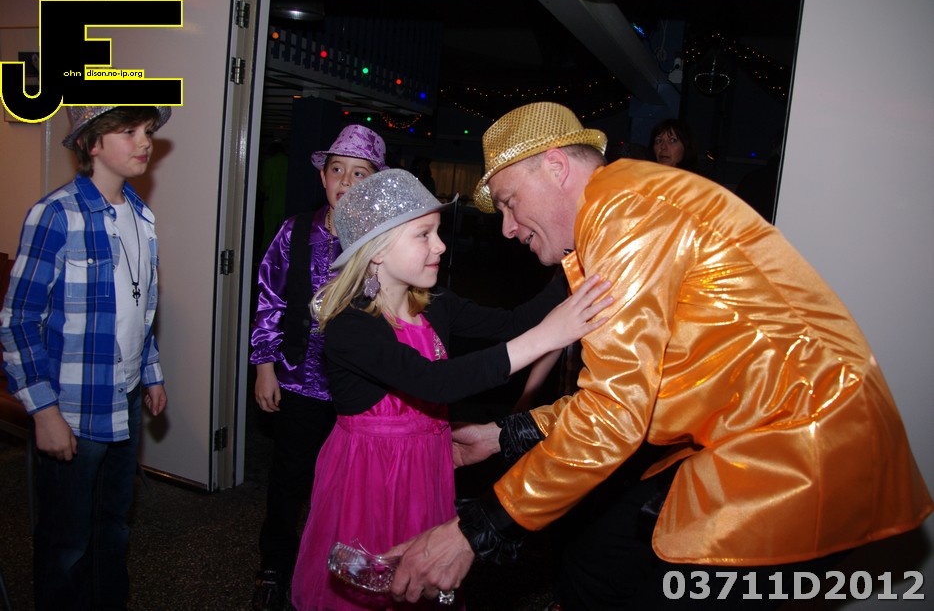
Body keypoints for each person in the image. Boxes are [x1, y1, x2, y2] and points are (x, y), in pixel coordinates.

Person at [386, 101, 934, 609]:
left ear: (555, 167)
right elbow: (629, 397)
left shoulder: (625, 214)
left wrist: (475, 529)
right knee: (595, 561)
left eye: (509, 202)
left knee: (629, 580)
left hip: (808, 454)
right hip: (758, 438)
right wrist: (504, 435)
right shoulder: (623, 206)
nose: (507, 229)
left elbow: (614, 414)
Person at [288, 168, 612, 610]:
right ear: (377, 250)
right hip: (371, 479)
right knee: (371, 585)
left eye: (437, 232)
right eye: (424, 234)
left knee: (421, 579)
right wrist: (547, 338)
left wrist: (574, 268)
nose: (440, 246)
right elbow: (435, 382)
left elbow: (513, 322)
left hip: (425, 470)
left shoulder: (433, 303)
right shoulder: (351, 326)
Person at [0, 105, 171, 611]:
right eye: (129, 132)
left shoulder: (142, 216)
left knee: (112, 526)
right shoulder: (56, 214)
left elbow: (138, 307)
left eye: (147, 131)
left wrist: (151, 373)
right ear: (91, 144)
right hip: (72, 408)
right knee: (67, 540)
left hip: (124, 398)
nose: (145, 142)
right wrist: (44, 412)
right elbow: (18, 321)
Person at [249, 124, 388, 611]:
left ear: (374, 182)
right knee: (289, 480)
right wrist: (264, 366)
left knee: (351, 487)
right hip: (298, 381)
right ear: (323, 176)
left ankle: (339, 571)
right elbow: (269, 299)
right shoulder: (296, 231)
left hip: (359, 388)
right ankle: (274, 567)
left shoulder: (384, 240)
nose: (346, 181)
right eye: (337, 170)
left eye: (359, 172)